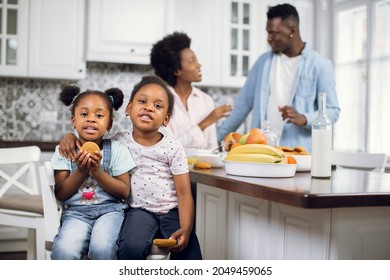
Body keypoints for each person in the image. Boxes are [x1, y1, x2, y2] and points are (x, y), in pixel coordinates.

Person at [58, 76, 202, 260]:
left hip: (172, 211)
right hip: (138, 211)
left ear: (166, 119)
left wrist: (187, 227)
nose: (149, 107)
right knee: (129, 248)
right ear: (128, 109)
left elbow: (184, 193)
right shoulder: (117, 142)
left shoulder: (173, 148)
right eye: (142, 101)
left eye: (157, 106)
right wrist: (69, 136)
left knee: (190, 254)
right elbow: (90, 141)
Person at [217, 3, 340, 152]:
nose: (269, 38)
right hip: (260, 151)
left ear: (292, 30)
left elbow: (333, 111)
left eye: (274, 33)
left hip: (297, 154)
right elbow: (241, 107)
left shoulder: (320, 65)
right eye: (268, 33)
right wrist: (216, 141)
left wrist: (305, 118)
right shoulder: (262, 63)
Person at [50, 85, 135, 260]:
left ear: (109, 124)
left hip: (110, 212)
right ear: (73, 121)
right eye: (84, 114)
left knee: (102, 249)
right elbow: (61, 193)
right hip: (75, 213)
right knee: (64, 251)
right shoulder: (64, 150)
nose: (91, 119)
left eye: (99, 115)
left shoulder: (118, 149)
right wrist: (81, 172)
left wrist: (97, 173)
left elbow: (124, 191)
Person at [150, 31, 232, 151]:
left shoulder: (205, 100)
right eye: (192, 61)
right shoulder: (160, 103)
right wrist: (205, 123)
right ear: (177, 70)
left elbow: (212, 147)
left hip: (203, 169)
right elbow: (169, 148)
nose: (199, 65)